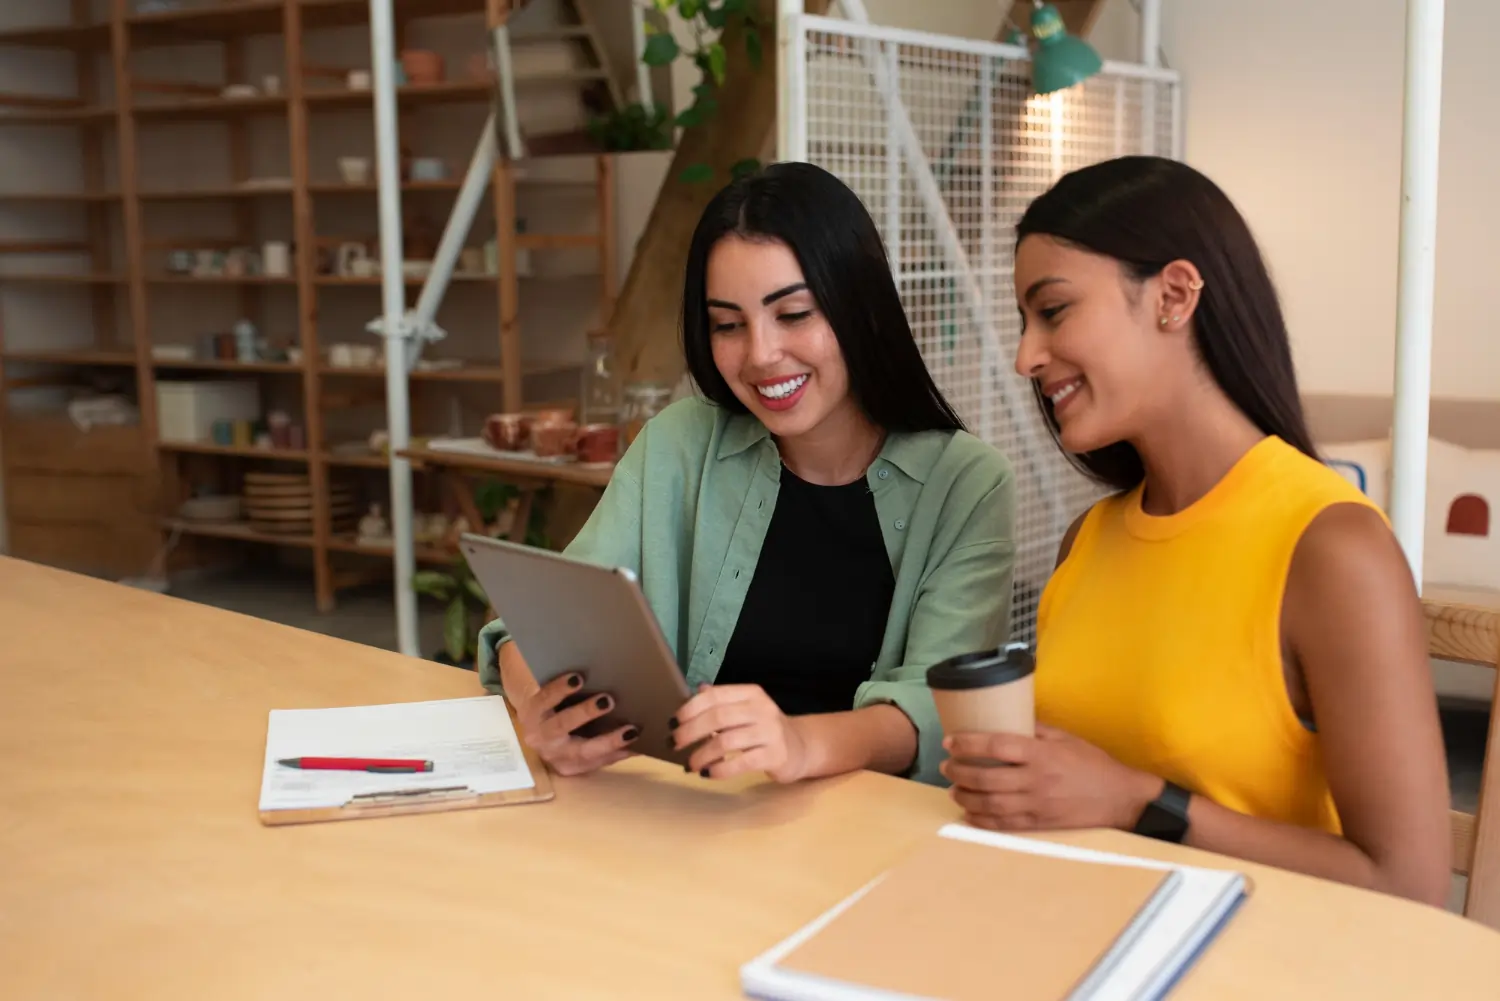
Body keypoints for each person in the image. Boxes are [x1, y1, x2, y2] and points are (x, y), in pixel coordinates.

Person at [943, 156, 1452, 905]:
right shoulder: (1087, 540)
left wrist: (1140, 801)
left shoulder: (1332, 548)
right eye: (1024, 322)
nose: (1026, 356)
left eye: (1052, 311)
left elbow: (1409, 885)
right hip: (1072, 939)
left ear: (1174, 295)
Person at [478, 162, 1016, 787]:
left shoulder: (967, 485)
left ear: (859, 307)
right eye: (728, 325)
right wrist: (542, 710)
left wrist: (801, 742)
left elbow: (937, 705)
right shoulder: (679, 444)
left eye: (794, 314)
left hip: (862, 836)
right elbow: (534, 632)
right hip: (685, 820)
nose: (760, 355)